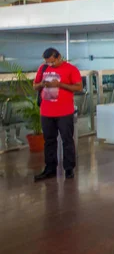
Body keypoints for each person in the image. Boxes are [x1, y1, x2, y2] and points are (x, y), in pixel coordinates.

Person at [33, 48, 83, 181]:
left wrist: (59, 84)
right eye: (48, 62)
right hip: (47, 111)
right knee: (49, 141)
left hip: (64, 112)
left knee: (67, 139)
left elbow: (78, 87)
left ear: (59, 56)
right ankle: (50, 169)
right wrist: (42, 84)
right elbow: (35, 86)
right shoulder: (43, 69)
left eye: (53, 62)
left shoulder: (71, 69)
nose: (50, 65)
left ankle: (69, 169)